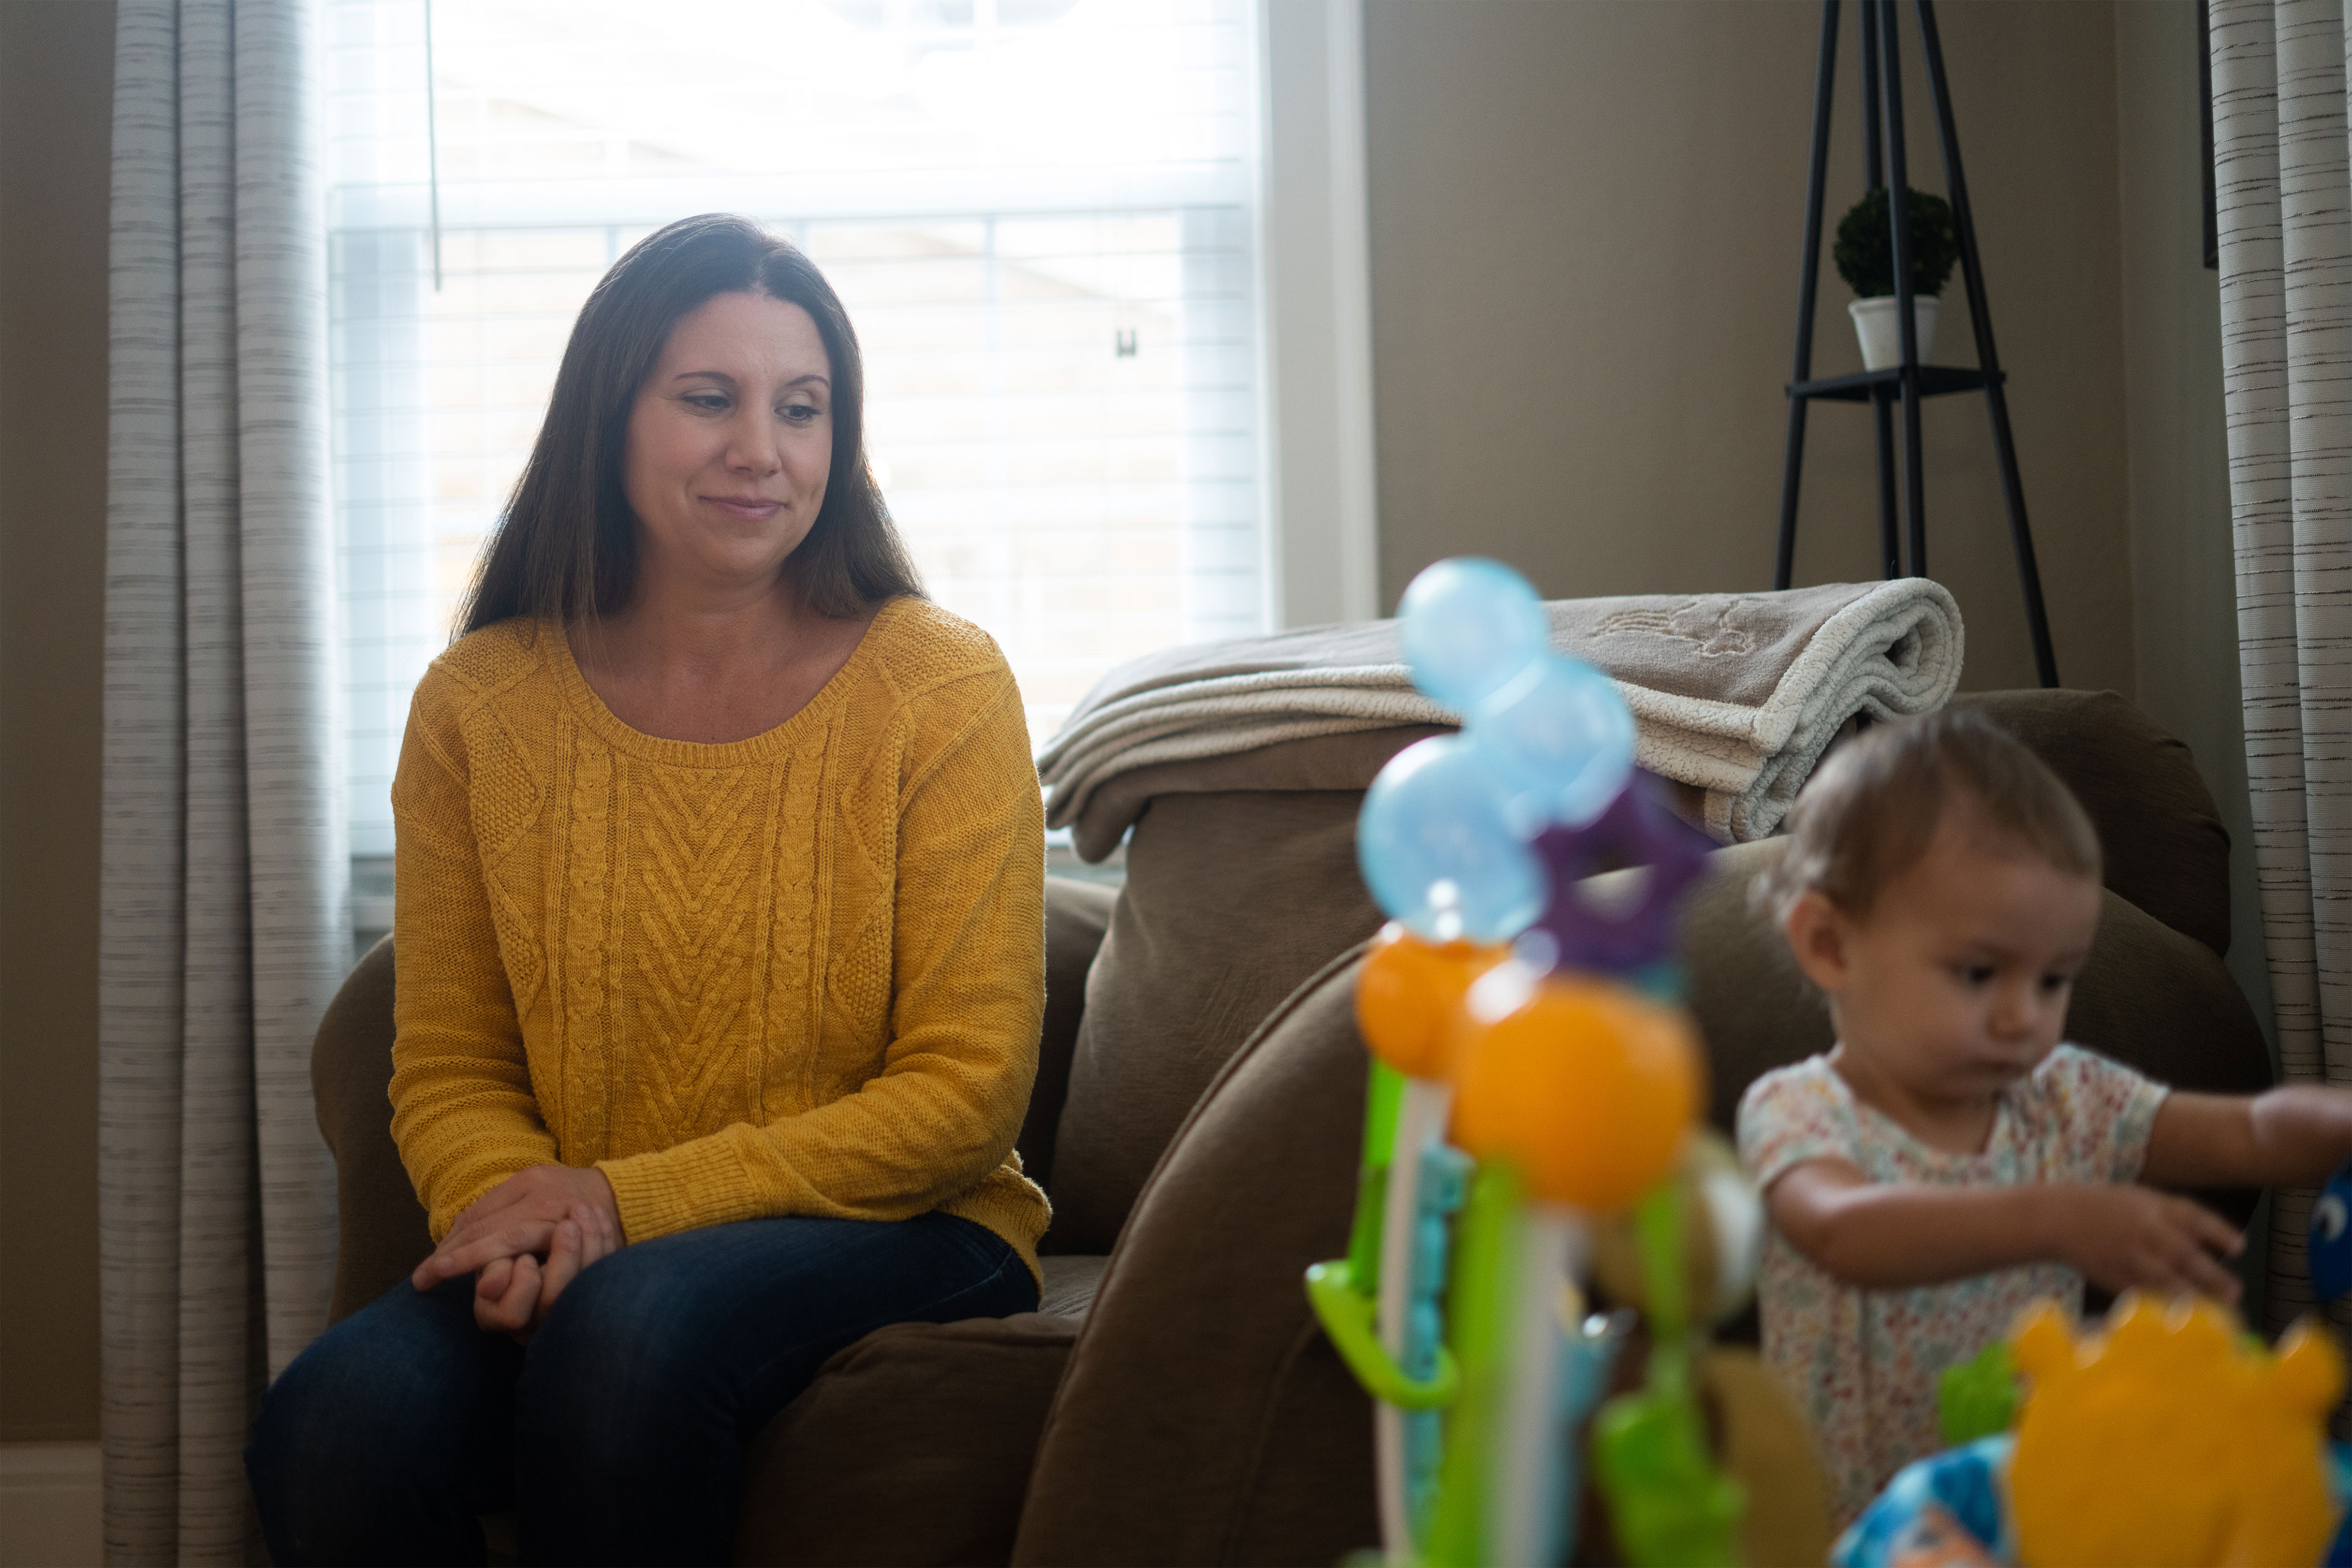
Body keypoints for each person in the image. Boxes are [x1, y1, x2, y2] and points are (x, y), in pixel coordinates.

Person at [246, 214, 1049, 1566]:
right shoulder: (479, 703)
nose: (762, 448)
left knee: (631, 1334)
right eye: (707, 398)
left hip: (910, 1226)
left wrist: (616, 1204)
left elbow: (966, 1092)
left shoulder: (939, 684)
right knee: (334, 1419)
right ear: (606, 417)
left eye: (803, 408)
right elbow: (447, 1058)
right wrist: (522, 1216)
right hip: (585, 1236)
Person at [1736, 707, 2352, 1525]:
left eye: (2054, 980)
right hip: (1862, 1532)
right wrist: (2054, 1220)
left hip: (2039, 1512)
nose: (2024, 1017)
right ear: (1830, 945)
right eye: (1981, 972)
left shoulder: (2064, 1098)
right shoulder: (1802, 1111)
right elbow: (1844, 1231)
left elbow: (2253, 1131)